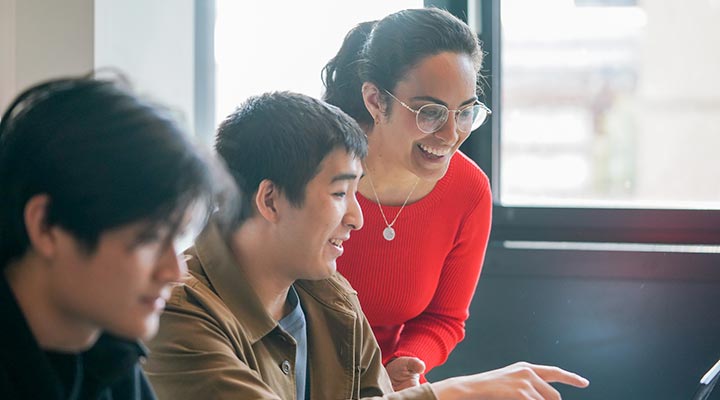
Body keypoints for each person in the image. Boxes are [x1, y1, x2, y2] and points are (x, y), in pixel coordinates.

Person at [144, 91, 589, 399]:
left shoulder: (333, 298)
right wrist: (453, 393)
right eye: (340, 194)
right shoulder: (176, 311)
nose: (357, 218)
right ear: (270, 199)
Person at [0, 76, 218, 399]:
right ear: (46, 226)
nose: (175, 272)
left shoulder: (111, 355)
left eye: (177, 238)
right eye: (150, 238)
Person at [322, 8, 494, 388]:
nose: (450, 135)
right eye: (429, 112)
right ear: (374, 100)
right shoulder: (312, 169)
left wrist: (406, 362)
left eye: (465, 112)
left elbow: (443, 319)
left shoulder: (469, 191)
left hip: (383, 386)